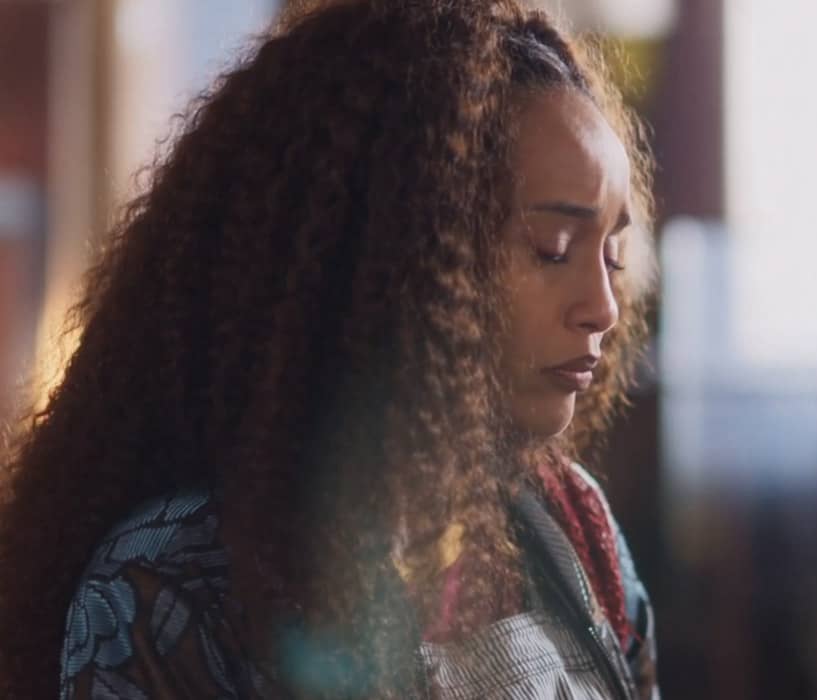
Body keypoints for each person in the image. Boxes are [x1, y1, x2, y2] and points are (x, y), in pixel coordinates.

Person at [0, 1, 658, 697]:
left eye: (613, 256)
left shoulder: (570, 527)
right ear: (389, 250)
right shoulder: (169, 587)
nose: (603, 308)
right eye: (552, 249)